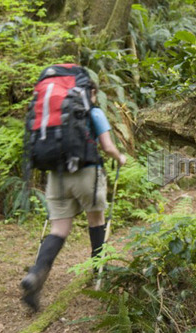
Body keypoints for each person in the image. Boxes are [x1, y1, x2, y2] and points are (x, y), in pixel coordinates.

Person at [20, 81, 127, 312]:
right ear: (93, 94)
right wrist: (120, 158)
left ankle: (36, 275)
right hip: (87, 172)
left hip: (57, 175)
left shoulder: (56, 115)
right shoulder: (94, 112)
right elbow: (107, 147)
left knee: (58, 230)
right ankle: (98, 274)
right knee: (96, 221)